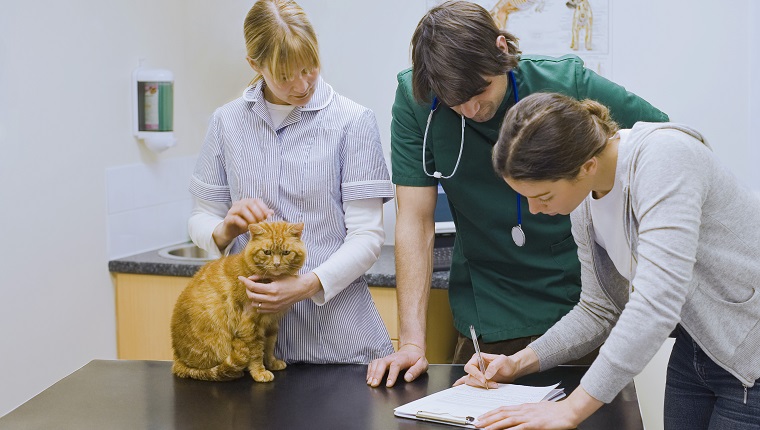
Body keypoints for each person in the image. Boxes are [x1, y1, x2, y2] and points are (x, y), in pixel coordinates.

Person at [366, 0, 668, 387]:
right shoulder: (416, 100)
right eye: (455, 102)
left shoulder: (564, 83)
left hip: (584, 302)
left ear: (502, 49)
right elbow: (414, 218)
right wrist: (411, 342)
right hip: (492, 306)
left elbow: (663, 146)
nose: (473, 109)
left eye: (480, 90)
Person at [455, 91, 760, 429]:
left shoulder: (666, 159)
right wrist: (517, 363)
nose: (534, 210)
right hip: (697, 348)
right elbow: (597, 309)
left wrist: (571, 410)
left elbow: (656, 302)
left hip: (752, 355)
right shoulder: (586, 204)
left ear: (587, 166)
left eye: (543, 196)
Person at [188, 0, 395, 364]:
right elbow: (199, 217)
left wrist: (306, 285)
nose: (302, 85)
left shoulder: (353, 122)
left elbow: (367, 236)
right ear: (255, 65)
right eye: (285, 75)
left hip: (339, 344)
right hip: (250, 344)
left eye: (310, 67)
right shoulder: (227, 123)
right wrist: (224, 229)